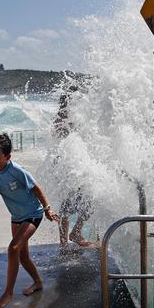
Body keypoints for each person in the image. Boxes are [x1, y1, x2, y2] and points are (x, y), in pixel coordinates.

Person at [0, 133, 59, 308]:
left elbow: (37, 189)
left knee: (13, 248)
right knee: (23, 256)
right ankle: (38, 282)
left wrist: (48, 209)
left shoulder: (17, 171)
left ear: (7, 157)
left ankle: (8, 293)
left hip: (33, 213)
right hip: (16, 217)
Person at [53, 90, 95, 248]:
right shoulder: (62, 118)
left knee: (88, 202)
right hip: (67, 166)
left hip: (75, 165)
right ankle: (65, 241)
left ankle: (73, 234)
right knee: (67, 206)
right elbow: (62, 139)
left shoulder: (72, 117)